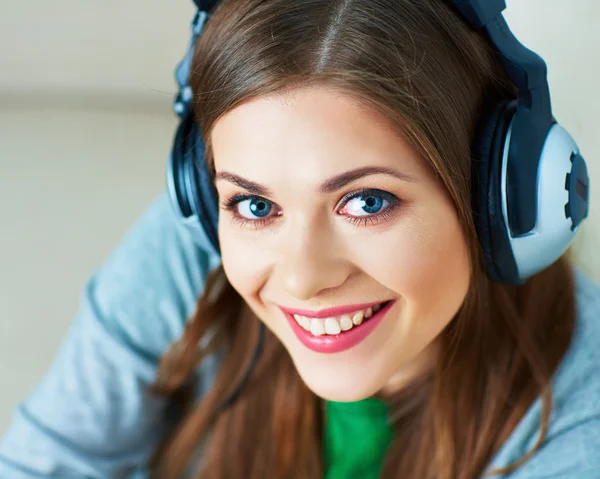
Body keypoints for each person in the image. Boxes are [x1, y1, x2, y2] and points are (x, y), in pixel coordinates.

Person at [1, 0, 599, 477]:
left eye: (367, 202)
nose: (300, 277)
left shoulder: (582, 426)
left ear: (501, 200)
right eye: (256, 204)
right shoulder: (193, 246)